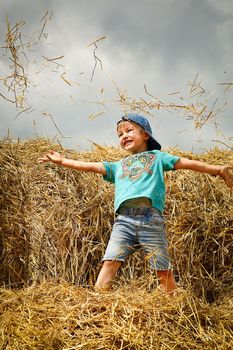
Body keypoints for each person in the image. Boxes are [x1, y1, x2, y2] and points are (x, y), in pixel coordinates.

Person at [38, 114, 233, 295]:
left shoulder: (158, 157)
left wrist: (218, 170)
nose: (124, 136)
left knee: (162, 269)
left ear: (145, 134)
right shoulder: (118, 166)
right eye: (120, 134)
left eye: (129, 130)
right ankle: (96, 301)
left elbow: (189, 163)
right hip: (123, 221)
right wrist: (63, 161)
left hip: (151, 220)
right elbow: (91, 166)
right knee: (110, 262)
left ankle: (173, 303)